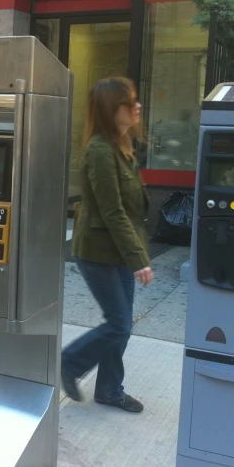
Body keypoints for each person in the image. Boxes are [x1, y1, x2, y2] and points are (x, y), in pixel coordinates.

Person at [61, 77, 153, 413]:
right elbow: (113, 213)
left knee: (122, 327)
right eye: (129, 102)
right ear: (111, 110)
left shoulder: (122, 145)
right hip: (98, 252)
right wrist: (138, 259)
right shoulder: (100, 151)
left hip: (118, 251)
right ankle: (69, 362)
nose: (137, 106)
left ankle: (110, 390)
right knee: (118, 324)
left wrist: (134, 254)